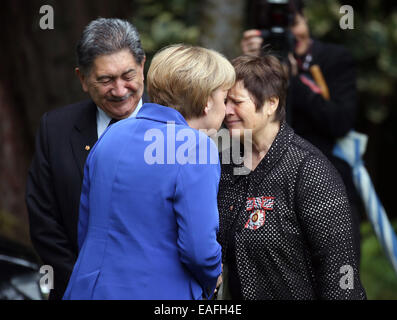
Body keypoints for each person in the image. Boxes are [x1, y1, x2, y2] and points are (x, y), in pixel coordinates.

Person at [62, 44, 235, 300]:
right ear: (208, 101)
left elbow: (87, 228)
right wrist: (213, 276)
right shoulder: (196, 146)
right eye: (225, 97)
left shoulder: (112, 133)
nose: (227, 108)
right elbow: (198, 249)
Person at [217, 54, 366, 299]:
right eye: (224, 101)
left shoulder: (310, 170)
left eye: (236, 102)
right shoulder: (226, 164)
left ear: (271, 103)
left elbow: (340, 275)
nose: (227, 111)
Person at [25, 18, 148, 299]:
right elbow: (44, 221)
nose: (119, 91)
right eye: (105, 80)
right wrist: (84, 288)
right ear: (82, 78)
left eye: (128, 76)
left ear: (142, 67)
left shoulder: (176, 126)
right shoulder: (55, 129)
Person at [241, 0, 362, 256]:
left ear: (305, 18)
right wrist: (249, 70)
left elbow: (340, 122)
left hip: (328, 179)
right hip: (268, 185)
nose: (290, 33)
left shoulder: (334, 58)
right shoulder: (258, 67)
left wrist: (293, 81)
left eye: (293, 23)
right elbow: (238, 124)